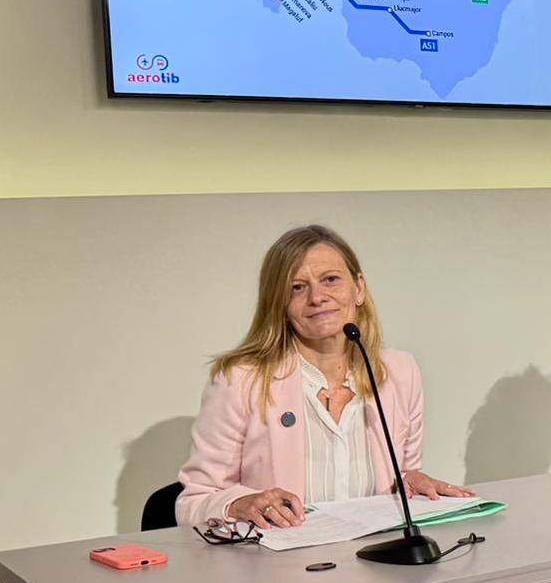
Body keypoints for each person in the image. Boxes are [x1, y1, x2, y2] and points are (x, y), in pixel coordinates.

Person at [176, 224, 470, 530]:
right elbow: (194, 502)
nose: (317, 297)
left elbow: (402, 473)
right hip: (281, 557)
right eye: (297, 288)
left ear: (358, 288)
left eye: (330, 279)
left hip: (380, 553)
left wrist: (411, 481)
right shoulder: (242, 380)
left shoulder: (400, 372)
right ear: (278, 303)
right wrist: (238, 505)